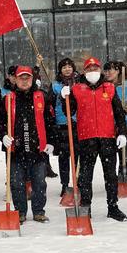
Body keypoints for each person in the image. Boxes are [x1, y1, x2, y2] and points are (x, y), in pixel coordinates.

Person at [61, 57, 127, 221]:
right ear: (84, 72)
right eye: (89, 69)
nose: (92, 72)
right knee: (85, 176)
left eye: (95, 69)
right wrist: (65, 99)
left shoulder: (109, 88)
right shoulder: (77, 89)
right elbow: (68, 112)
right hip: (86, 138)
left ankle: (113, 207)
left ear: (100, 71)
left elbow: (119, 113)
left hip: (107, 138)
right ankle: (86, 207)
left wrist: (122, 133)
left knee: (110, 175)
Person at [0, 65, 57, 224]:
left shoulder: (41, 97)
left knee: (39, 183)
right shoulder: (8, 99)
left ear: (32, 79)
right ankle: (20, 212)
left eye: (27, 78)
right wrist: (3, 136)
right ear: (15, 79)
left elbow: (50, 122)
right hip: (16, 149)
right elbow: (0, 122)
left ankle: (38, 211)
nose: (24, 81)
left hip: (38, 149)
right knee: (16, 183)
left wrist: (51, 141)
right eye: (21, 78)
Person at [47, 57, 79, 196]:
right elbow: (49, 103)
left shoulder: (79, 83)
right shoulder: (55, 85)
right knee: (64, 156)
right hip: (61, 125)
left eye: (69, 66)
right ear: (60, 70)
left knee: (77, 155)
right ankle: (65, 184)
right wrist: (58, 95)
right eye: (64, 67)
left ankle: (77, 182)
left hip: (77, 123)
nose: (67, 69)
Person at [103, 61, 127, 177]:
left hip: (125, 126)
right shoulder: (103, 86)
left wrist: (125, 110)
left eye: (110, 70)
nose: (107, 73)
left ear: (118, 71)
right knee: (109, 156)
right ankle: (112, 179)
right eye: (106, 70)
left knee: (124, 156)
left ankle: (123, 177)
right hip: (108, 127)